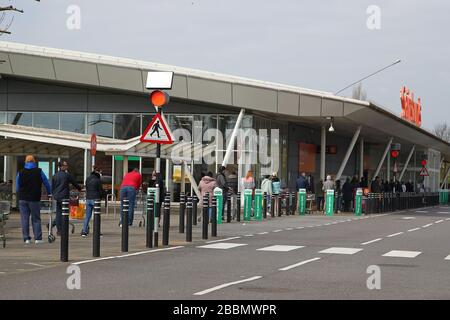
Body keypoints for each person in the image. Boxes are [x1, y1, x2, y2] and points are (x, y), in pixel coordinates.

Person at [16, 155, 52, 244]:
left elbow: (17, 187)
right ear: (34, 162)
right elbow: (46, 183)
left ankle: (26, 238)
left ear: (25, 162)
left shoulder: (20, 173)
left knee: (24, 219)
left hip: (23, 199)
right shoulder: (39, 171)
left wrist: (20, 193)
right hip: (34, 198)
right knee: (36, 218)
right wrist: (49, 193)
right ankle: (38, 238)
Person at [51, 160, 81, 235]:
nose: (67, 166)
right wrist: (80, 188)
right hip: (64, 197)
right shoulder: (67, 175)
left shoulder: (55, 175)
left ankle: (59, 230)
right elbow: (74, 183)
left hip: (57, 197)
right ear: (61, 167)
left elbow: (53, 186)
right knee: (65, 213)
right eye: (65, 165)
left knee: (58, 213)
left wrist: (53, 194)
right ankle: (62, 229)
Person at [81, 166, 104, 237]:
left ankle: (84, 231)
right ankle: (97, 231)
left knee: (87, 216)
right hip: (95, 199)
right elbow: (100, 191)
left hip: (88, 198)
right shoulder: (98, 180)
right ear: (98, 172)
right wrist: (102, 197)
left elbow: (87, 188)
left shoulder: (88, 179)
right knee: (97, 215)